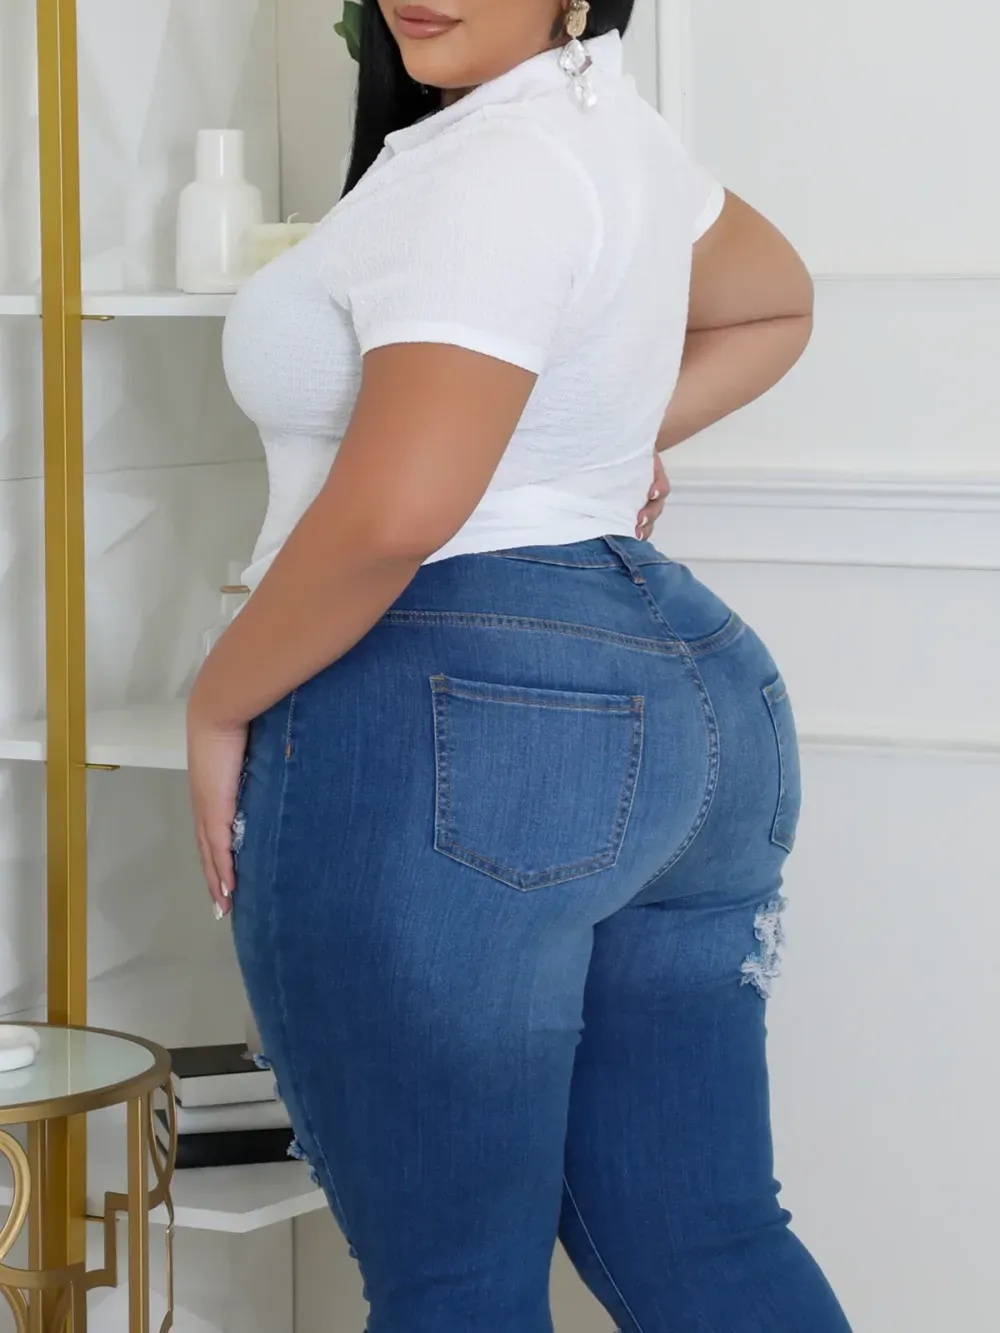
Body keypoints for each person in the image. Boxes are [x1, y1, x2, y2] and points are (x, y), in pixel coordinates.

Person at [187, 1, 850, 1329]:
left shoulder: (493, 163)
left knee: (455, 1285)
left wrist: (218, 700)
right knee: (706, 1242)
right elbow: (774, 303)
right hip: (691, 701)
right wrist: (590, 440)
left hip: (458, 713)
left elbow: (398, 515)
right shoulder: (609, 133)